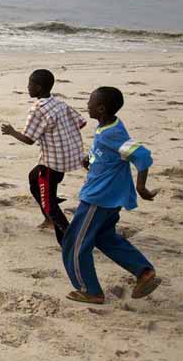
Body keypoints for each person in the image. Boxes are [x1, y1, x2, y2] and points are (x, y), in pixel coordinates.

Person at [61, 87, 160, 304]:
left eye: (90, 102)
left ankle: (90, 290)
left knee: (75, 243)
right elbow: (112, 153)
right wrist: (92, 160)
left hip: (98, 198)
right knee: (104, 237)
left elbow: (141, 155)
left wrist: (141, 187)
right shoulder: (108, 125)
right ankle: (143, 272)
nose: (87, 105)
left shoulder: (111, 133)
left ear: (101, 109)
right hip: (109, 196)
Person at [1, 69, 86, 245]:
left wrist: (11, 132)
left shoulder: (37, 109)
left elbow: (29, 140)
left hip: (51, 164)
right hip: (66, 159)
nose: (27, 87)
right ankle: (48, 215)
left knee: (49, 204)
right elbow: (81, 123)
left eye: (30, 84)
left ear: (38, 88)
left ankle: (69, 240)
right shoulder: (59, 103)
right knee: (33, 179)